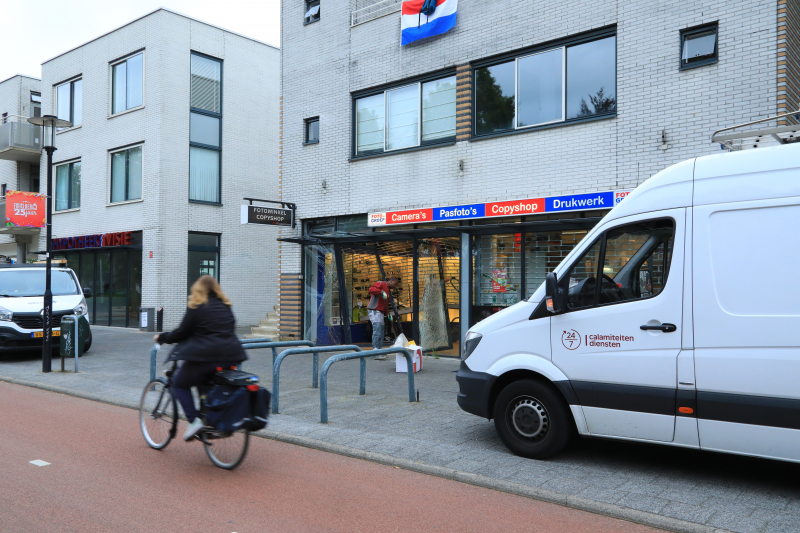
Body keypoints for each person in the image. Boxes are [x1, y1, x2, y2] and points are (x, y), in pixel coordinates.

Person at [155, 275, 247, 441]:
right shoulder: (225, 306)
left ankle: (194, 421)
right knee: (202, 381)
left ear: (197, 289)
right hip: (231, 356)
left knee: (180, 383)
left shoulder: (197, 306)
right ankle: (210, 417)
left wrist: (161, 338)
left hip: (207, 357)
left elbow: (181, 332)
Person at [367, 276, 399, 360]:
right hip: (374, 310)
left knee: (380, 331)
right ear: (391, 281)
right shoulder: (381, 284)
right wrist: (381, 291)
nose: (394, 287)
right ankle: (375, 352)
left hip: (380, 312)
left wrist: (386, 314)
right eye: (395, 284)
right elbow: (371, 289)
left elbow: (384, 304)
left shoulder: (388, 290)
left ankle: (379, 351)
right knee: (377, 330)